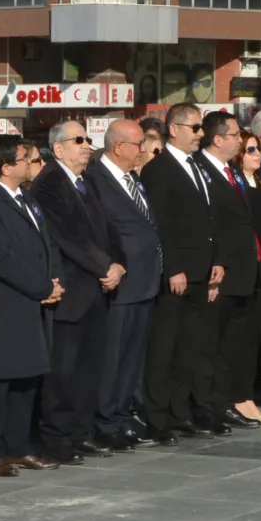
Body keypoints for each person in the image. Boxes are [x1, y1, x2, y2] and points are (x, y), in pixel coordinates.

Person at [0, 137, 62, 476]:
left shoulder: (26, 198)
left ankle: (19, 446)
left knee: (26, 379)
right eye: (25, 158)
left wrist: (55, 279)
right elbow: (1, 257)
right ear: (6, 167)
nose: (31, 163)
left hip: (31, 302)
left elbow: (47, 243)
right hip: (4, 306)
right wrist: (42, 287)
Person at [33, 118, 120, 460]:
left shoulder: (86, 181)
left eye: (87, 139)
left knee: (89, 368)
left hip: (96, 290)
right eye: (78, 140)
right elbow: (68, 236)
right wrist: (104, 267)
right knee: (63, 372)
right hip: (70, 291)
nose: (86, 146)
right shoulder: (48, 184)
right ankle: (57, 438)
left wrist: (119, 263)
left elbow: (108, 228)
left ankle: (82, 432)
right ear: (58, 148)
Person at [140, 102, 223, 438]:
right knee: (165, 348)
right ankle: (157, 417)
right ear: (174, 129)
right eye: (195, 128)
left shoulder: (197, 166)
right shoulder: (159, 169)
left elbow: (209, 217)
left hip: (202, 270)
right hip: (177, 273)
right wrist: (174, 268)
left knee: (191, 346)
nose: (200, 134)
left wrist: (217, 260)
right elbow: (162, 223)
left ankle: (180, 411)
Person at [85, 118, 161, 449]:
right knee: (113, 357)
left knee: (132, 357)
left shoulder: (132, 179)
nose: (143, 150)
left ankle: (122, 415)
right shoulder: (95, 182)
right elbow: (97, 233)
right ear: (118, 147)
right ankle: (105, 422)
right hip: (119, 284)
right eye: (138, 144)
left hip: (145, 281)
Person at [196, 110, 261, 428]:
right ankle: (207, 404)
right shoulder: (202, 169)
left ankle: (223, 402)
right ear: (218, 139)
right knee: (211, 343)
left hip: (243, 271)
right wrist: (216, 263)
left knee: (230, 344)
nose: (239, 140)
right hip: (221, 272)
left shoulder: (231, 171)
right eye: (235, 135)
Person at [231, 132, 261, 419]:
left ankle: (247, 394)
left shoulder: (260, 184)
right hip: (247, 269)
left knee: (255, 339)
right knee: (242, 338)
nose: (257, 154)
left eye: (258, 150)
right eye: (250, 150)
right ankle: (238, 396)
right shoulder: (237, 186)